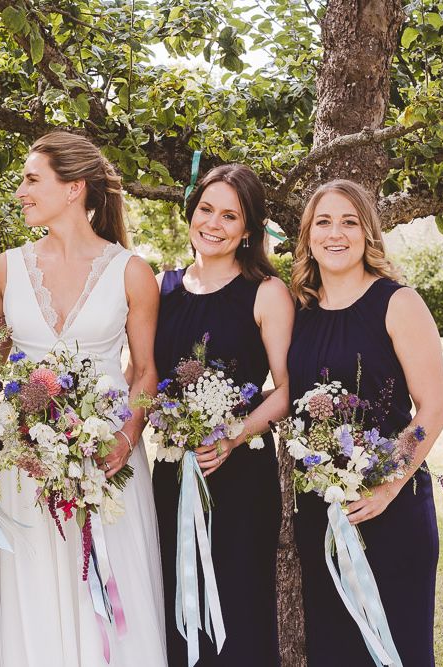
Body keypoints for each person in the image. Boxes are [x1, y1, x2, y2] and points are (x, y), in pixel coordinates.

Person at [0, 130, 167, 666]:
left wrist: (125, 439)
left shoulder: (132, 272)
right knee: (34, 590)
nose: (20, 191)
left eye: (31, 179)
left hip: (108, 465)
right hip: (24, 465)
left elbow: (146, 370)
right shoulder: (5, 268)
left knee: (111, 595)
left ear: (73, 188)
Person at [287, 179, 443, 665]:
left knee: (396, 646)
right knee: (333, 649)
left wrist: (387, 485)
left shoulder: (398, 302)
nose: (336, 233)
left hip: (392, 509)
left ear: (368, 234)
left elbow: (433, 407)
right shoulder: (301, 311)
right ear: (309, 236)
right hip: (322, 511)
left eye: (349, 222)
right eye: (324, 222)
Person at [152, 164, 293, 666]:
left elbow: (286, 388)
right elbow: (140, 377)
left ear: (249, 230)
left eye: (229, 215)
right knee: (174, 599)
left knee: (239, 605)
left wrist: (233, 435)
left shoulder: (266, 292)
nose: (213, 223)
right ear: (191, 213)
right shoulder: (159, 286)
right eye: (206, 210)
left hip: (241, 476)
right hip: (171, 473)